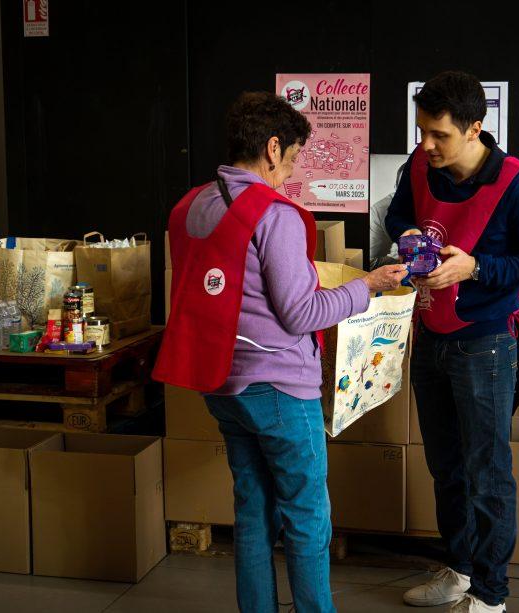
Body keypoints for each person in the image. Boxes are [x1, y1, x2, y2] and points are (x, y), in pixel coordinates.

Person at [153, 91, 408, 613]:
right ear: (272, 148)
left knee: (253, 510)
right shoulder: (276, 215)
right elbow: (301, 314)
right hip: (279, 389)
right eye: (291, 159)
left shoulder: (193, 205)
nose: (289, 173)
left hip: (222, 382)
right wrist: (369, 286)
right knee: (308, 516)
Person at [385, 71, 519, 613]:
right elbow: (397, 214)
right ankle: (460, 569)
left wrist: (476, 267)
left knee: (488, 474)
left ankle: (491, 596)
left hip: (485, 344)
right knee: (446, 468)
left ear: (475, 129)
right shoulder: (419, 165)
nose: (427, 145)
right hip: (430, 333)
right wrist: (408, 235)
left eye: (439, 134)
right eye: (422, 131)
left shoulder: (518, 183)